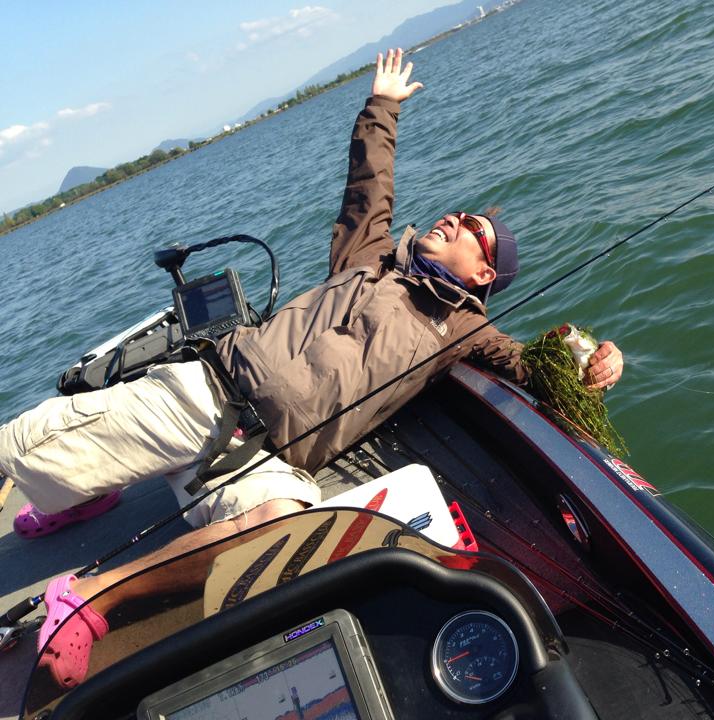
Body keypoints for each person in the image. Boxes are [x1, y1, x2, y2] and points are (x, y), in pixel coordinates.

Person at [0, 49, 624, 687]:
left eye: (472, 229)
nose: (454, 219)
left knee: (285, 522)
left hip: (263, 460)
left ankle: (88, 597)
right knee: (14, 450)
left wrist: (599, 360)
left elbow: (535, 366)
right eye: (459, 214)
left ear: (485, 273)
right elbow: (369, 181)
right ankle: (75, 496)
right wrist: (383, 106)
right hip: (207, 397)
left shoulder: (466, 331)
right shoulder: (370, 253)